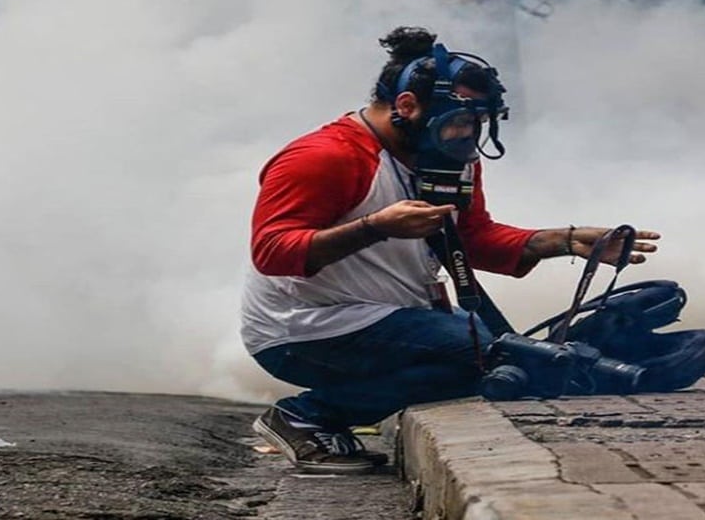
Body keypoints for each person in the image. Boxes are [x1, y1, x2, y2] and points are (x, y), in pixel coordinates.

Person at [240, 26, 661, 474]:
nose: (467, 134)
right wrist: (375, 227)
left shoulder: (449, 158)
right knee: (479, 356)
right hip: (302, 330)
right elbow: (272, 251)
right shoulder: (324, 156)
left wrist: (562, 240)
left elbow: (473, 238)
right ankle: (306, 415)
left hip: (395, 317)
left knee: (505, 360)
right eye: (458, 121)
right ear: (407, 106)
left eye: (477, 122)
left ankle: (615, 366)